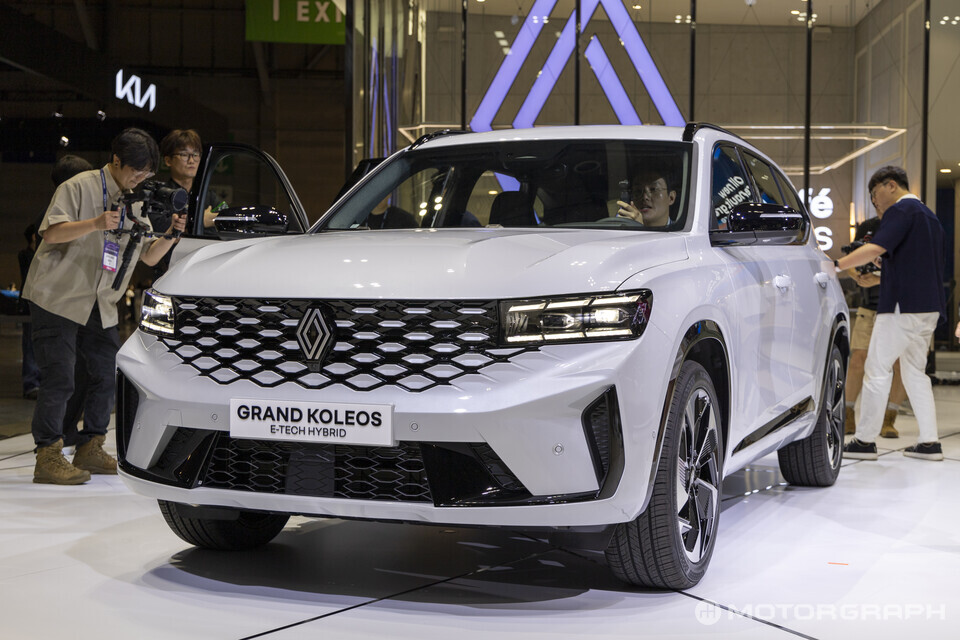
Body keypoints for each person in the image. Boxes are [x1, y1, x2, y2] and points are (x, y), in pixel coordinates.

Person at [23, 128, 186, 485]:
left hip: (101, 300)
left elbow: (147, 256)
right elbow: (51, 233)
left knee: (105, 373)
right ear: (116, 161)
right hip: (58, 295)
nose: (141, 179)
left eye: (147, 173)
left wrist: (172, 236)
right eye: (136, 171)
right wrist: (95, 223)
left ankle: (91, 445)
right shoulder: (78, 187)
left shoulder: (136, 200)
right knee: (60, 376)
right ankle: (48, 453)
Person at [838, 166, 946, 461]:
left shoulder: (901, 211)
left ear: (891, 185)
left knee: (877, 369)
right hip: (928, 308)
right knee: (915, 374)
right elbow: (920, 265)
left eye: (875, 194)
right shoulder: (930, 217)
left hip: (901, 308)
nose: (875, 202)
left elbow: (875, 246)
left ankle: (864, 441)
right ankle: (930, 443)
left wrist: (837, 264)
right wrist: (885, 266)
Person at [843, 201, 907, 439]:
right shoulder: (867, 227)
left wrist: (879, 279)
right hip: (869, 306)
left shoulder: (905, 226)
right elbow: (852, 259)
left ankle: (889, 418)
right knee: (858, 359)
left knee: (899, 364)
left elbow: (910, 269)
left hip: (900, 307)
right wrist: (857, 276)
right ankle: (848, 413)